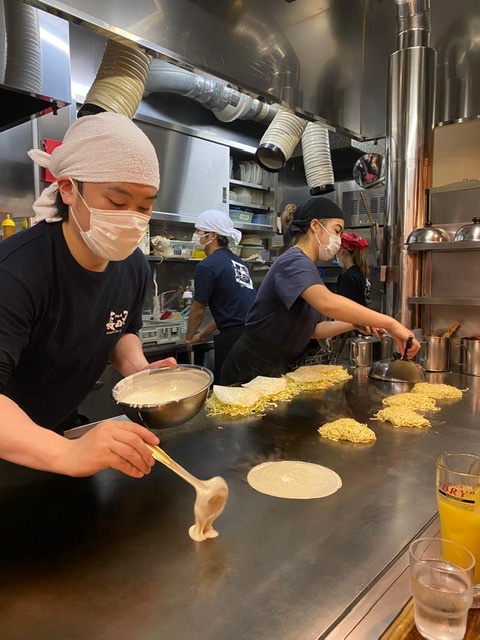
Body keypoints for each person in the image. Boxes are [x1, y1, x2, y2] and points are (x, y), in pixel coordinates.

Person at [0, 111, 177, 479]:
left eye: (144, 206)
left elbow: (120, 330)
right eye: (117, 202)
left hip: (59, 429)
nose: (132, 218)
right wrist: (68, 453)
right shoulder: (17, 271)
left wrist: (139, 372)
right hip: (12, 442)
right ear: (68, 189)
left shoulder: (133, 265)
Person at [220, 197, 420, 385]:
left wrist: (354, 323)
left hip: (274, 364)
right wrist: (391, 323)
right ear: (315, 226)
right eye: (336, 231)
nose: (339, 240)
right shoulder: (294, 261)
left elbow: (312, 331)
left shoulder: (307, 266)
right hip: (251, 365)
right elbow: (327, 303)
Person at [184, 209, 256, 381]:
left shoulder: (207, 266)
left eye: (198, 231)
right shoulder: (238, 262)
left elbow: (198, 310)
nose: (195, 235)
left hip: (233, 340)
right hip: (254, 336)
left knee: (228, 390)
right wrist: (202, 334)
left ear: (212, 235)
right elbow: (231, 308)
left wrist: (188, 338)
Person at [336, 232, 372, 306]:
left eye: (338, 251)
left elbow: (344, 307)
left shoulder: (349, 277)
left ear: (343, 251)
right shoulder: (358, 272)